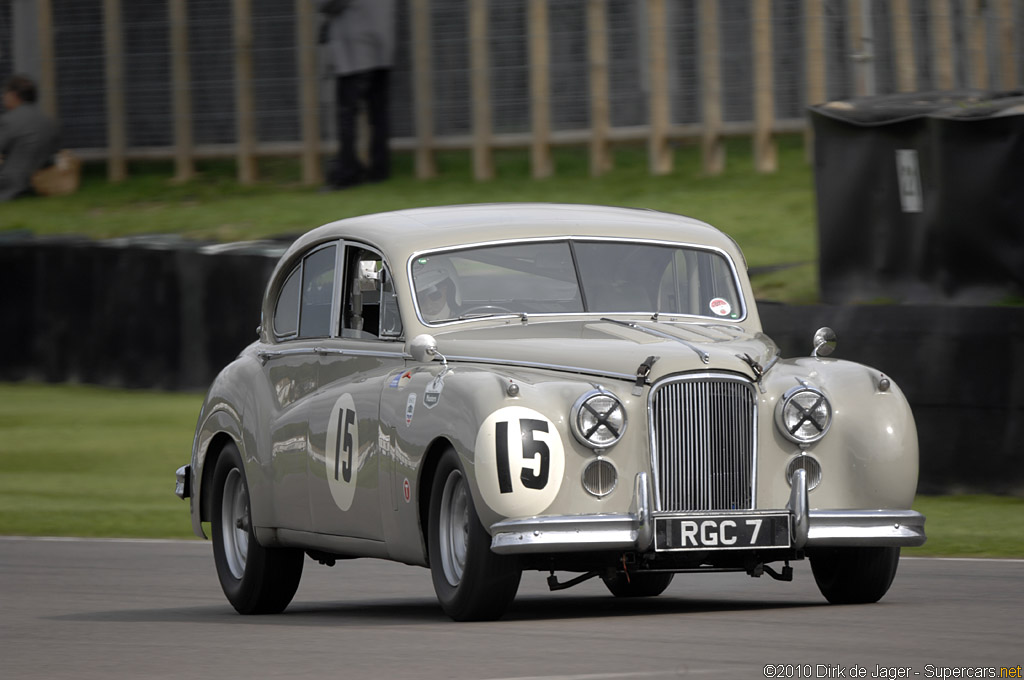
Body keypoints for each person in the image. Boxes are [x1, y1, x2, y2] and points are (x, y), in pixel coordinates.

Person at [316, 0, 396, 189]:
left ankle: (347, 173)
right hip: (382, 43)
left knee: (347, 114)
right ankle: (379, 171)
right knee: (379, 115)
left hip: (354, 48)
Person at [0, 74, 60, 202]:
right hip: (39, 180)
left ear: (14, 95)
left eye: (5, 94)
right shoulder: (48, 122)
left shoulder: (9, 120)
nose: (3, 97)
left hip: (10, 183)